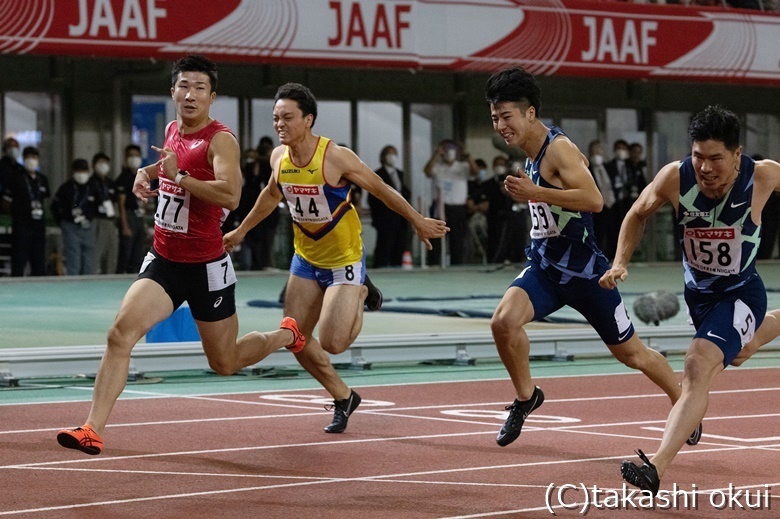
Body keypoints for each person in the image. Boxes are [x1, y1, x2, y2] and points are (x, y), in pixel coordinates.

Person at [56, 55, 307, 456]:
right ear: (173, 91)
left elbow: (231, 195)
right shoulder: (173, 129)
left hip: (207, 268)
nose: (191, 95)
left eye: (200, 88)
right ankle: (92, 428)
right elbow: (172, 163)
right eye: (184, 86)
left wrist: (179, 177)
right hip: (164, 260)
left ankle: (285, 334)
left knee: (224, 363)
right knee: (120, 334)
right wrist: (149, 173)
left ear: (212, 96)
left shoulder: (220, 140)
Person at [484, 67, 698, 448]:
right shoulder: (530, 154)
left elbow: (595, 200)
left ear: (530, 112)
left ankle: (683, 402)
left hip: (586, 275)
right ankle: (526, 397)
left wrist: (538, 191)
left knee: (632, 354)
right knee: (503, 322)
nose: (500, 125)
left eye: (506, 116)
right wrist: (535, 192)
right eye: (495, 118)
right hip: (546, 269)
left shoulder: (558, 149)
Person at [223, 82, 448, 433]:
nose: (279, 124)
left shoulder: (335, 157)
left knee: (333, 342)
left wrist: (417, 221)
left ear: (308, 119)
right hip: (305, 259)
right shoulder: (278, 157)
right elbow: (270, 195)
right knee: (295, 336)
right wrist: (240, 232)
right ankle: (343, 397)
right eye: (275, 118)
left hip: (343, 258)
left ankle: (359, 290)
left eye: (287, 117)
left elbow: (381, 188)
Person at [602, 105, 780, 495]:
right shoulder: (674, 177)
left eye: (716, 158)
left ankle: (656, 466)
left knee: (698, 364)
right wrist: (619, 262)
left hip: (741, 293)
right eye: (698, 156)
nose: (705, 167)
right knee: (738, 352)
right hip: (699, 299)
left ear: (737, 154)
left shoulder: (763, 174)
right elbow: (636, 213)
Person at [424, 139, 476, 265]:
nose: (449, 152)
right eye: (446, 149)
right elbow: (427, 171)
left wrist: (467, 155)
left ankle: (457, 265)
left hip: (457, 207)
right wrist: (436, 154)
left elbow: (475, 171)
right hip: (440, 206)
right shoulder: (438, 166)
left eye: (452, 149)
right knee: (436, 238)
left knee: (457, 240)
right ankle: (434, 264)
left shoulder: (462, 166)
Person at [1, 146, 51, 276]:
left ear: (38, 159)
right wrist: (17, 215)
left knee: (39, 262)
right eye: (28, 157)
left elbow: (44, 200)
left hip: (38, 226)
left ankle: (38, 289)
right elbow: (6, 202)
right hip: (22, 225)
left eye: (34, 157)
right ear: (23, 159)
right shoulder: (16, 178)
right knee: (19, 261)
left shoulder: (42, 179)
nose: (31, 160)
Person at [51, 159, 100, 275]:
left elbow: (99, 206)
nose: (81, 174)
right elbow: (54, 206)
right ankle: (73, 286)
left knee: (89, 258)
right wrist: (63, 222)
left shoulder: (93, 187)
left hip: (87, 226)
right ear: (73, 171)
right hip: (70, 226)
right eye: (78, 170)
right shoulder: (66, 188)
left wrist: (91, 218)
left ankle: (88, 285)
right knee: (73, 258)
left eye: (83, 170)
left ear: (88, 171)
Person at [368, 145, 411, 267]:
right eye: (388, 154)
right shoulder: (377, 174)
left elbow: (405, 191)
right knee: (384, 245)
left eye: (394, 154)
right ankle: (380, 267)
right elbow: (373, 198)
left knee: (399, 245)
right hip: (385, 218)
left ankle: (397, 266)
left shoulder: (400, 174)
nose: (391, 157)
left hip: (400, 217)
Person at [115, 144, 148, 273]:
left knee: (139, 252)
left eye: (136, 156)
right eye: (131, 156)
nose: (134, 158)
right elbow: (120, 204)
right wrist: (124, 225)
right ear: (126, 158)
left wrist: (144, 224)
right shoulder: (123, 178)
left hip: (139, 216)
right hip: (128, 216)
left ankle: (135, 276)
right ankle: (119, 277)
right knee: (126, 252)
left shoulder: (142, 176)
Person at [90, 152, 119, 275]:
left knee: (112, 252)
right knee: (97, 252)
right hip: (97, 220)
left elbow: (116, 202)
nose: (103, 166)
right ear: (94, 165)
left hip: (110, 221)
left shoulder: (111, 183)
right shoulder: (90, 183)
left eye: (105, 163)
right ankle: (94, 277)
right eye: (100, 163)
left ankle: (110, 276)